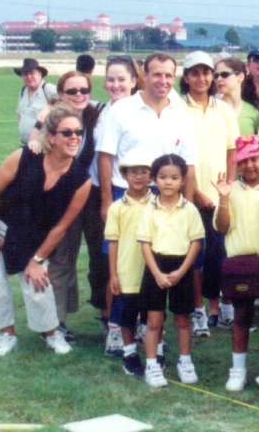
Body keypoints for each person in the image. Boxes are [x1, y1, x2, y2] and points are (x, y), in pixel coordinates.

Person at [0, 102, 91, 357]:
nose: (74, 138)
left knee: (37, 280)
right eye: (67, 132)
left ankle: (51, 333)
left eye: (78, 132)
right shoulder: (24, 157)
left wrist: (37, 260)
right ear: (52, 137)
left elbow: (60, 227)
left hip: (30, 231)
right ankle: (7, 336)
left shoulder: (81, 180)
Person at [24, 71, 102, 341]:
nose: (79, 95)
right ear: (60, 95)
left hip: (90, 195)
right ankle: (56, 323)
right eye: (72, 91)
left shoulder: (96, 114)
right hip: (61, 199)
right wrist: (39, 125)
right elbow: (33, 144)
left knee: (95, 256)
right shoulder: (52, 121)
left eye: (84, 90)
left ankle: (102, 314)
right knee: (61, 258)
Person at [206, 135, 259, 391]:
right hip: (240, 264)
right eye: (244, 161)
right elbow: (221, 228)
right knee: (241, 317)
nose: (250, 165)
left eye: (255, 159)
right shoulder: (231, 190)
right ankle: (237, 371)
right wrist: (223, 199)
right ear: (237, 164)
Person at [180, 51, 239, 334]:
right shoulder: (177, 109)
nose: (202, 78)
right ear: (186, 77)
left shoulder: (224, 110)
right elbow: (176, 157)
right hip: (189, 197)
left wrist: (228, 190)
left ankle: (224, 309)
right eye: (195, 73)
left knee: (223, 254)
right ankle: (199, 312)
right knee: (195, 258)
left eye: (206, 73)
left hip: (221, 196)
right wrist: (195, 192)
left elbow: (232, 151)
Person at [98, 52, 199, 213]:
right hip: (125, 195)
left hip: (167, 196)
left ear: (174, 78)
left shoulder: (181, 115)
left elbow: (189, 163)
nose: (163, 81)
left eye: (168, 76)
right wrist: (106, 201)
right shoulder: (121, 109)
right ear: (145, 76)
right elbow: (105, 157)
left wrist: (188, 205)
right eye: (157, 75)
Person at [137, 154, 204, 388]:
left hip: (181, 267)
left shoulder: (190, 209)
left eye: (174, 178)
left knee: (182, 319)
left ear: (183, 180)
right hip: (156, 267)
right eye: (163, 177)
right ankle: (152, 365)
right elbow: (145, 244)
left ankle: (185, 361)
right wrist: (156, 273)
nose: (168, 182)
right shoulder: (149, 209)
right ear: (154, 179)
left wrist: (182, 271)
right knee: (154, 320)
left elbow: (195, 242)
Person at [98, 56, 145, 353]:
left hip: (149, 193)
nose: (116, 85)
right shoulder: (105, 110)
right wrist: (107, 199)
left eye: (122, 79)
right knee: (117, 264)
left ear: (134, 80)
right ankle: (115, 327)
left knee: (144, 262)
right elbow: (105, 156)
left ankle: (140, 323)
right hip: (119, 192)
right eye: (110, 79)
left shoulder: (148, 106)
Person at [105, 153, 155, 376]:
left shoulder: (157, 203)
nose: (139, 177)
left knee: (153, 312)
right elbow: (113, 242)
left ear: (151, 177)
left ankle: (155, 349)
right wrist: (113, 274)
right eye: (133, 172)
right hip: (127, 269)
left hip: (152, 269)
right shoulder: (116, 207)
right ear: (123, 175)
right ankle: (129, 352)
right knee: (127, 314)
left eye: (144, 172)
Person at [15, 58, 57, 144]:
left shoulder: (48, 89)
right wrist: (21, 133)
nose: (29, 77)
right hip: (27, 144)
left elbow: (63, 103)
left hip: (44, 144)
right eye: (25, 74)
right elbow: (19, 114)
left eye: (32, 73)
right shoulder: (23, 91)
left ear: (40, 74)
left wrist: (48, 107)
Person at [215, 58, 256, 134]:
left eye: (225, 75)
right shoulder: (212, 107)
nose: (219, 79)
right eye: (216, 76)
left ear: (240, 77)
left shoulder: (253, 111)